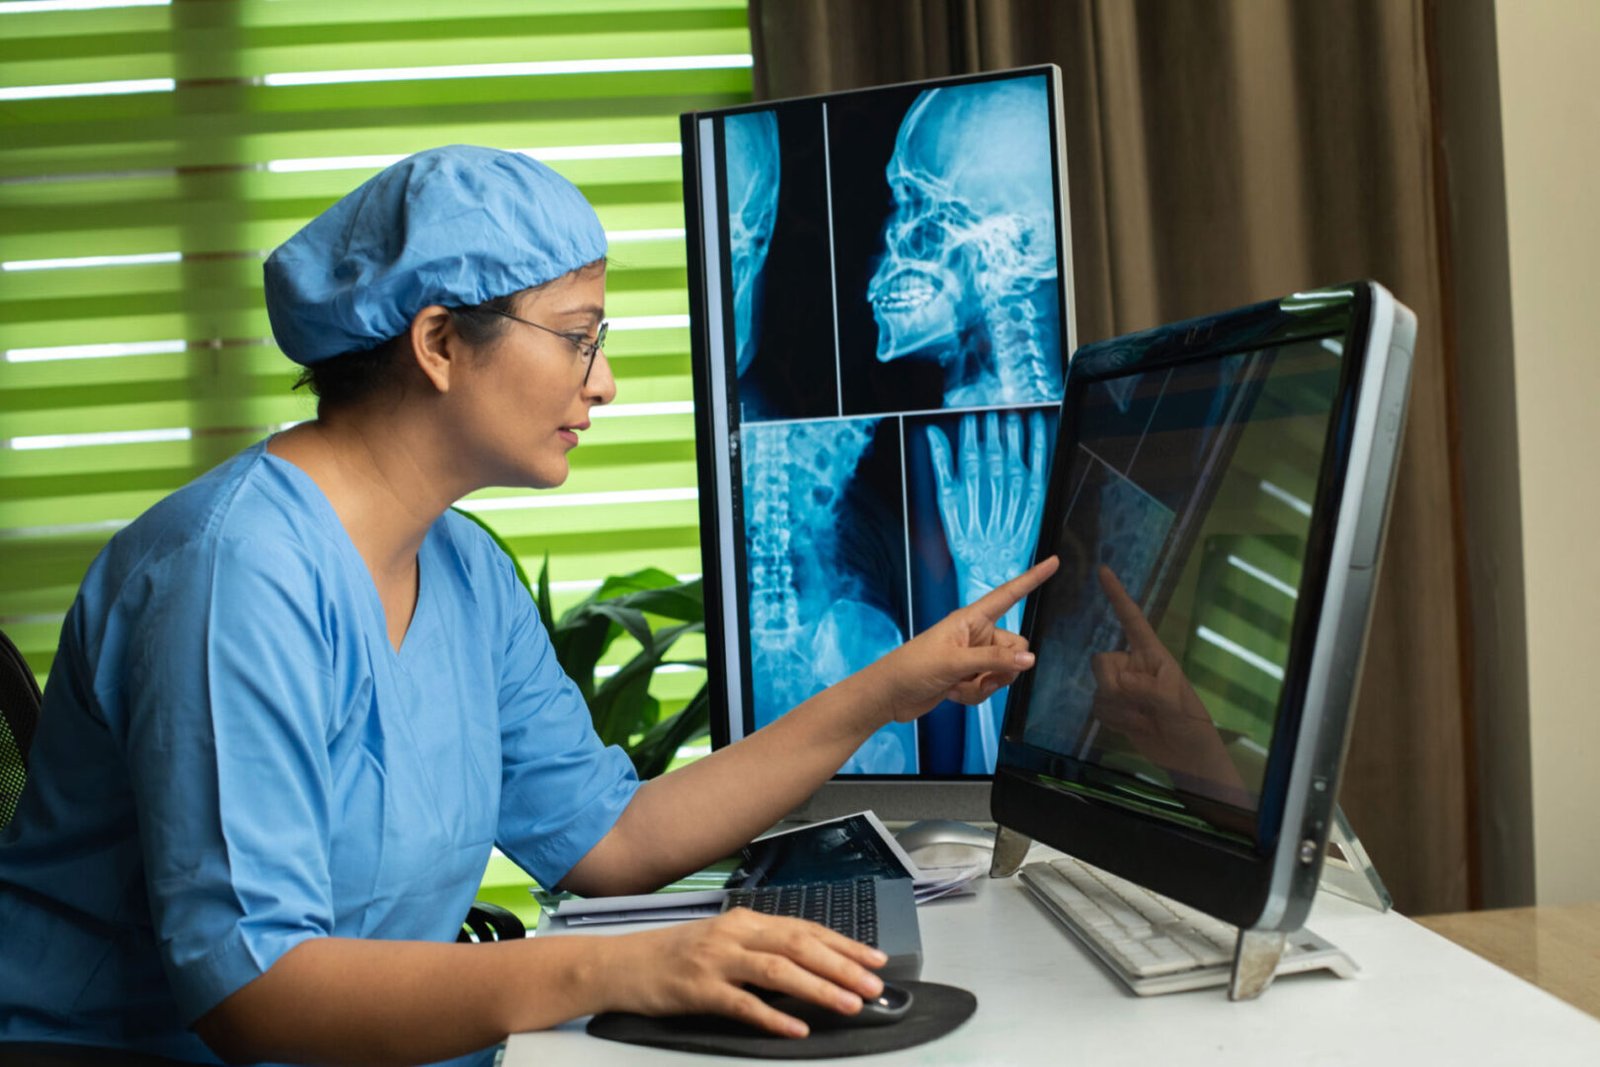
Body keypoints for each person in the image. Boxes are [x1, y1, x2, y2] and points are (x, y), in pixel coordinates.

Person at [0, 145, 1058, 1067]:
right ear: (438, 343)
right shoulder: (234, 574)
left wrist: (887, 687)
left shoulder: (460, 565)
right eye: (578, 335)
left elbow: (614, 838)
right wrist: (623, 962)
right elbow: (253, 992)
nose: (604, 385)